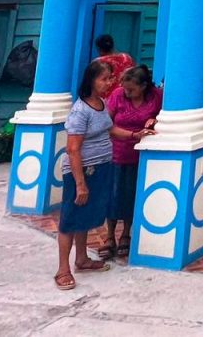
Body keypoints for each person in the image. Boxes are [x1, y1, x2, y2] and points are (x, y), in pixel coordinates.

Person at [54, 61, 151, 290]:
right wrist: (80, 184)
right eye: (105, 79)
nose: (110, 83)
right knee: (70, 219)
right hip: (83, 171)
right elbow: (73, 149)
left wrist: (135, 135)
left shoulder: (101, 104)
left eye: (110, 78)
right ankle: (62, 269)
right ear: (91, 80)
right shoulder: (80, 111)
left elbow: (110, 129)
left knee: (85, 216)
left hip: (101, 167)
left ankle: (81, 259)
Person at [100, 65, 161, 260]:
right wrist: (133, 135)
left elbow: (162, 117)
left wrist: (154, 121)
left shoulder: (156, 96)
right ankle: (110, 236)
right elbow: (107, 124)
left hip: (140, 155)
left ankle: (126, 233)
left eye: (132, 89)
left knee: (131, 194)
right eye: (125, 88)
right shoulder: (118, 95)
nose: (127, 92)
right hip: (116, 152)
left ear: (143, 86)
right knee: (112, 195)